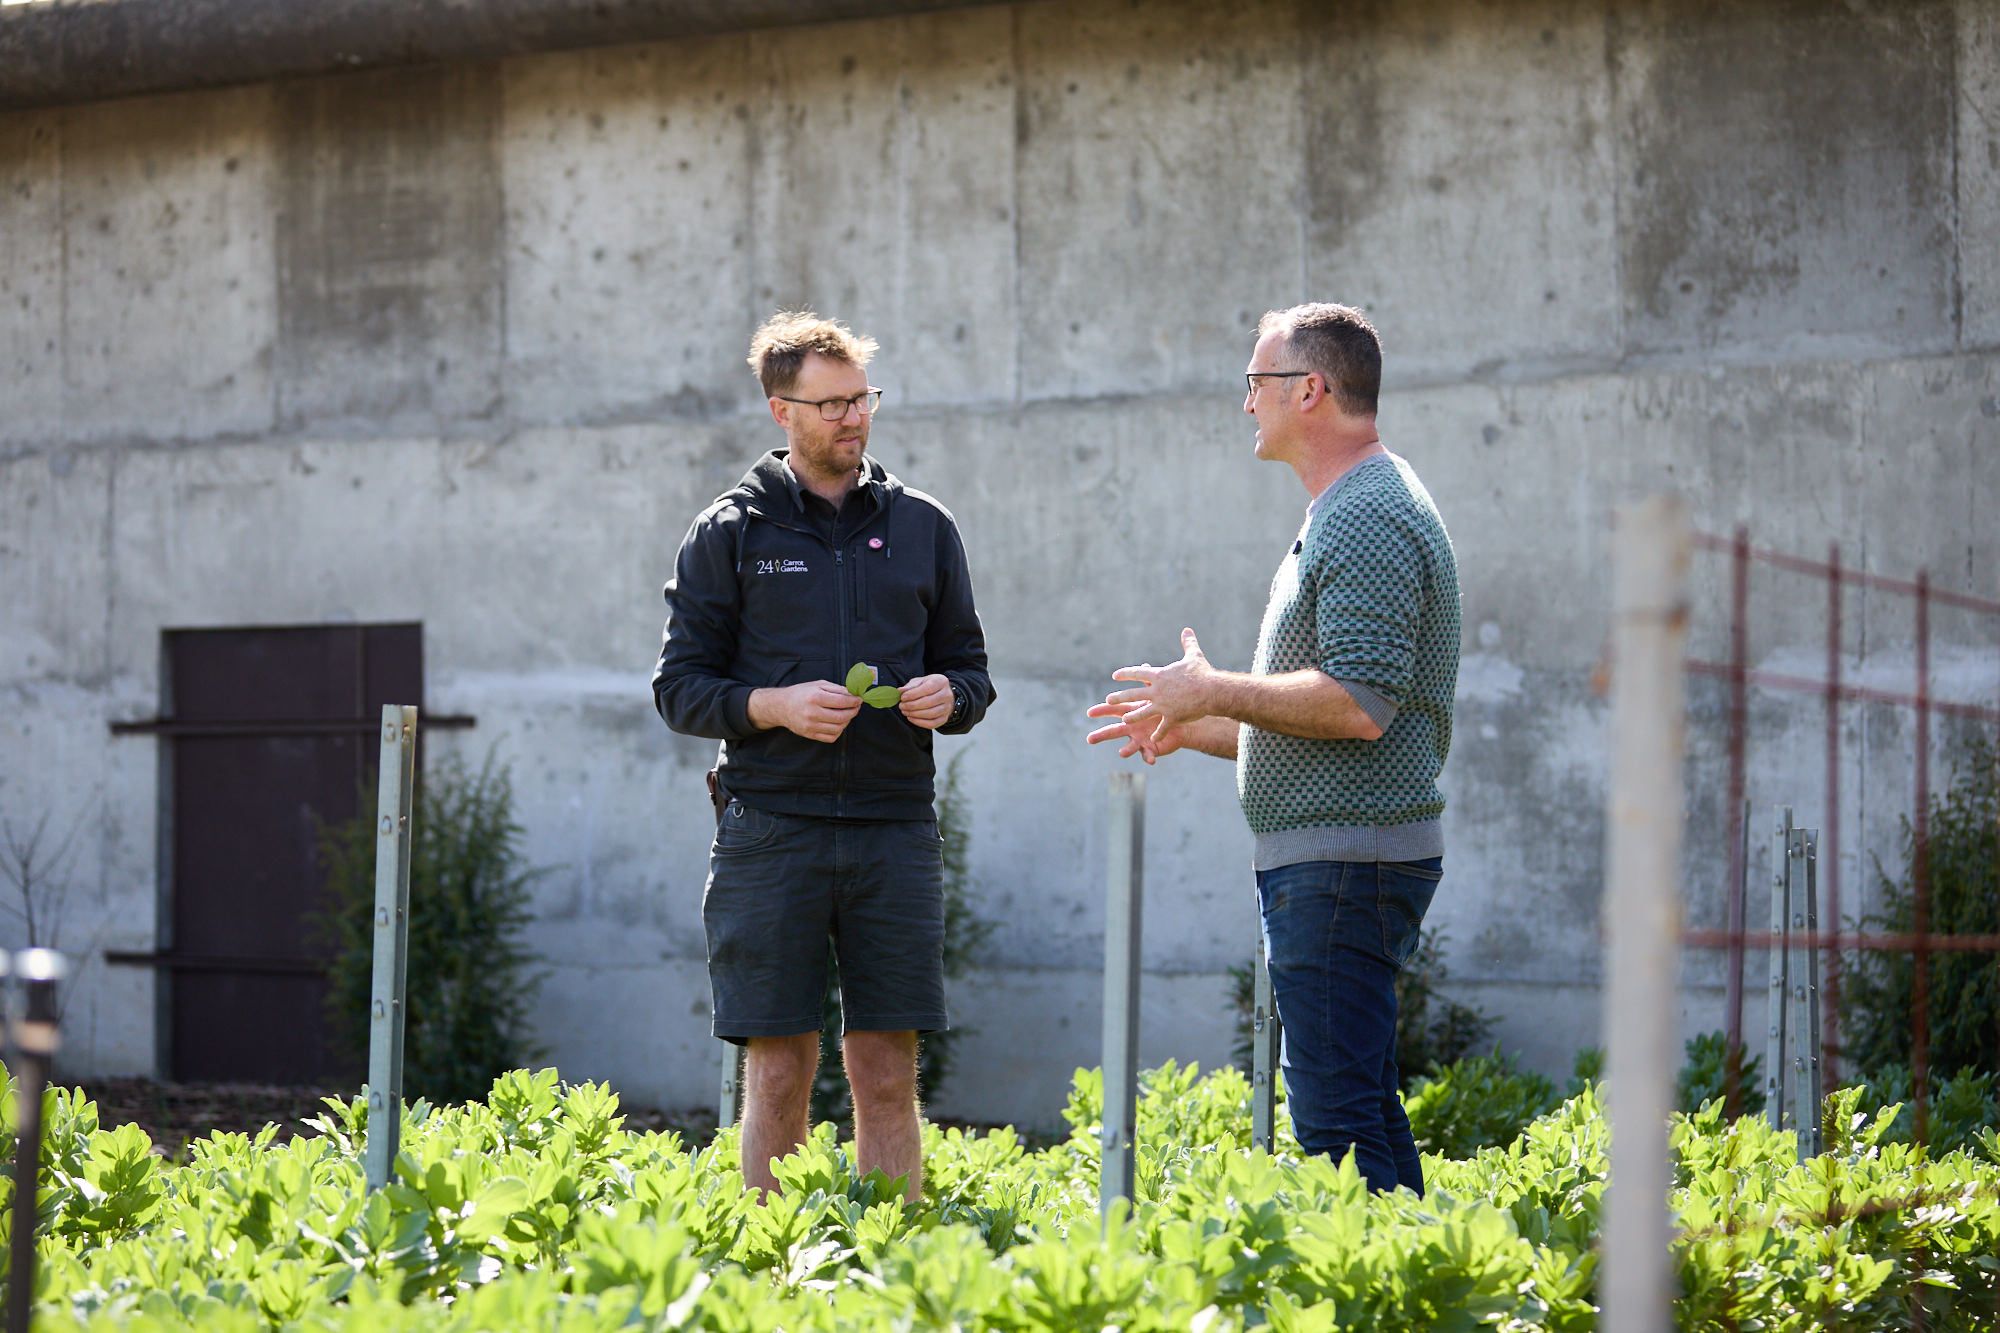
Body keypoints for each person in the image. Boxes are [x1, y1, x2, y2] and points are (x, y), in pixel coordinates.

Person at [1086, 303, 1459, 1195]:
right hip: (1336, 861)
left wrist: (1213, 688)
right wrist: (1198, 725)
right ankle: (1416, 1280)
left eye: (1255, 384)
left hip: (1344, 867)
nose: (1246, 404)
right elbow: (1320, 718)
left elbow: (1361, 704)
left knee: (1332, 1125)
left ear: (1310, 389)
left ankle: (1373, 1294)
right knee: (1359, 1106)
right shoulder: (1349, 506)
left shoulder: (1366, 512)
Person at [652, 310, 993, 1199]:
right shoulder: (728, 533)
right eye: (833, 402)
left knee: (886, 1066)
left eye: (863, 397)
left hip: (894, 829)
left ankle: (893, 1256)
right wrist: (773, 706)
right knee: (778, 1072)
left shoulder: (924, 527)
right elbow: (679, 689)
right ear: (781, 411)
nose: (854, 417)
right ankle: (781, 1269)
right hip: (771, 830)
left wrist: (947, 697)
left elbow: (974, 675)